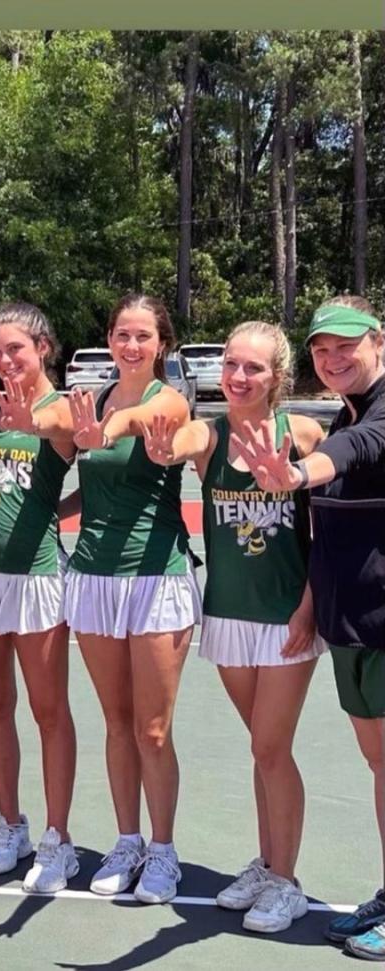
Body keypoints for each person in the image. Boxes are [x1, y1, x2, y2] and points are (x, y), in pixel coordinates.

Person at [142, 320, 324, 932]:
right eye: (230, 365)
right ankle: (270, 860)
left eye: (254, 368)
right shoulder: (211, 436)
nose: (239, 377)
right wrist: (161, 443)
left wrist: (309, 604)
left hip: (286, 618)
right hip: (227, 614)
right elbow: (179, 442)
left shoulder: (301, 433)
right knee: (261, 750)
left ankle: (287, 882)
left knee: (272, 748)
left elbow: (325, 532)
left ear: (278, 377)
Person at [231, 298, 385, 959]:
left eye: (347, 345)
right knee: (380, 762)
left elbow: (354, 450)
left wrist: (293, 471)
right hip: (354, 622)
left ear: (379, 341)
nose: (334, 358)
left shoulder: (371, 419)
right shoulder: (343, 413)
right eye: (323, 349)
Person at [63, 293, 198, 905]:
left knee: (152, 729)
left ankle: (164, 851)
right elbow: (92, 487)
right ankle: (127, 840)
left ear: (161, 343)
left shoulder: (165, 400)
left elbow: (131, 427)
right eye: (122, 334)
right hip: (93, 578)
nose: (131, 345)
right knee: (117, 724)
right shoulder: (96, 400)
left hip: (155, 579)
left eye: (143, 335)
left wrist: (101, 430)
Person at [0, 302, 79, 894]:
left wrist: (34, 423)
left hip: (36, 577)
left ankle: (58, 840)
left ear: (43, 348)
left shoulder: (60, 411)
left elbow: (65, 437)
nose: (5, 361)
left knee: (49, 712)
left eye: (16, 351)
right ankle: (11, 826)